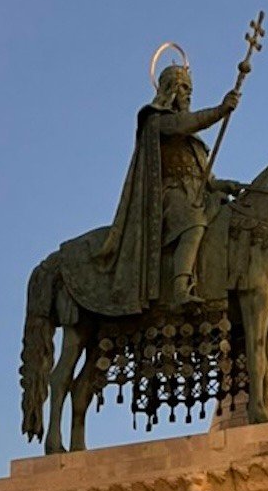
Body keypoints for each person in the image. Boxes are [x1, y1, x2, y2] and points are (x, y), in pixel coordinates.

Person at [95, 61, 244, 311]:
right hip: (172, 194)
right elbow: (187, 123)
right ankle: (180, 289)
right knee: (194, 226)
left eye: (190, 89)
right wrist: (220, 110)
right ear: (169, 89)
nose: (188, 94)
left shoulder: (193, 142)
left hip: (197, 194)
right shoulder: (158, 120)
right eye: (183, 87)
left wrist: (227, 185)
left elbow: (207, 179)